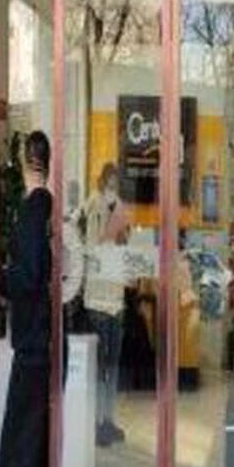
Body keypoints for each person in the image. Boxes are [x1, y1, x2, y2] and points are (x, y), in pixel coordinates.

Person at [0, 131, 53, 467]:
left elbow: (27, 277)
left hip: (32, 351)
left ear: (24, 160)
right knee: (35, 450)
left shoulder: (34, 211)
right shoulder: (47, 212)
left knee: (13, 455)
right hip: (42, 347)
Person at [84, 162, 130, 447]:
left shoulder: (121, 207)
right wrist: (110, 229)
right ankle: (96, 421)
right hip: (98, 299)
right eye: (109, 181)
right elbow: (92, 247)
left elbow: (124, 246)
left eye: (116, 182)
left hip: (116, 297)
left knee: (113, 365)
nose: (112, 186)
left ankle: (108, 418)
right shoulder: (93, 205)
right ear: (103, 181)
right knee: (99, 366)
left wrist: (123, 234)